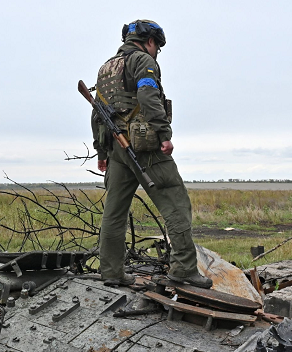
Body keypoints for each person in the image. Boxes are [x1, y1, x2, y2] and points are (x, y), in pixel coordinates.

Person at [91, 19, 212, 289]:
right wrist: (164, 135)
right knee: (175, 201)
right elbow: (148, 96)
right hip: (144, 146)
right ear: (149, 41)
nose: (157, 50)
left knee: (114, 212)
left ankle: (111, 272)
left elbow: (96, 112)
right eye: (157, 45)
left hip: (116, 148)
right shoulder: (143, 61)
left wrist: (102, 150)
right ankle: (183, 269)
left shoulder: (106, 68)